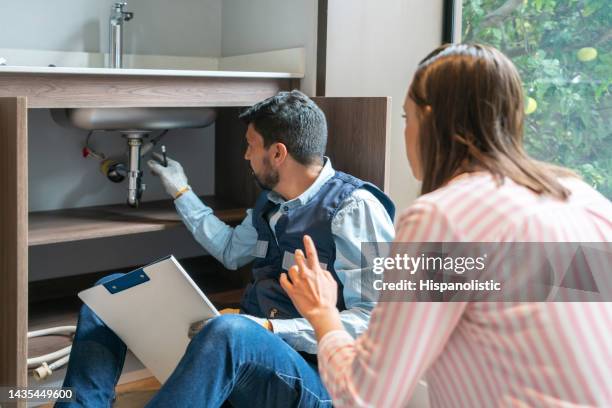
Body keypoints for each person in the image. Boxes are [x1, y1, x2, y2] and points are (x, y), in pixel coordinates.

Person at [281, 44, 612, 407]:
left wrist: (322, 312)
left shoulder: (442, 218)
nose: (405, 133)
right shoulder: (585, 200)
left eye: (406, 118)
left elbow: (365, 397)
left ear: (429, 118)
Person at [57, 90, 395, 407]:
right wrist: (182, 191)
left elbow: (374, 323)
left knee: (231, 329)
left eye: (251, 145)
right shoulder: (272, 201)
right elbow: (231, 250)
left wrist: (267, 328)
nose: (246, 154)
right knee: (110, 291)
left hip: (316, 381)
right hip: (252, 356)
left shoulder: (355, 208)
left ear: (277, 153)